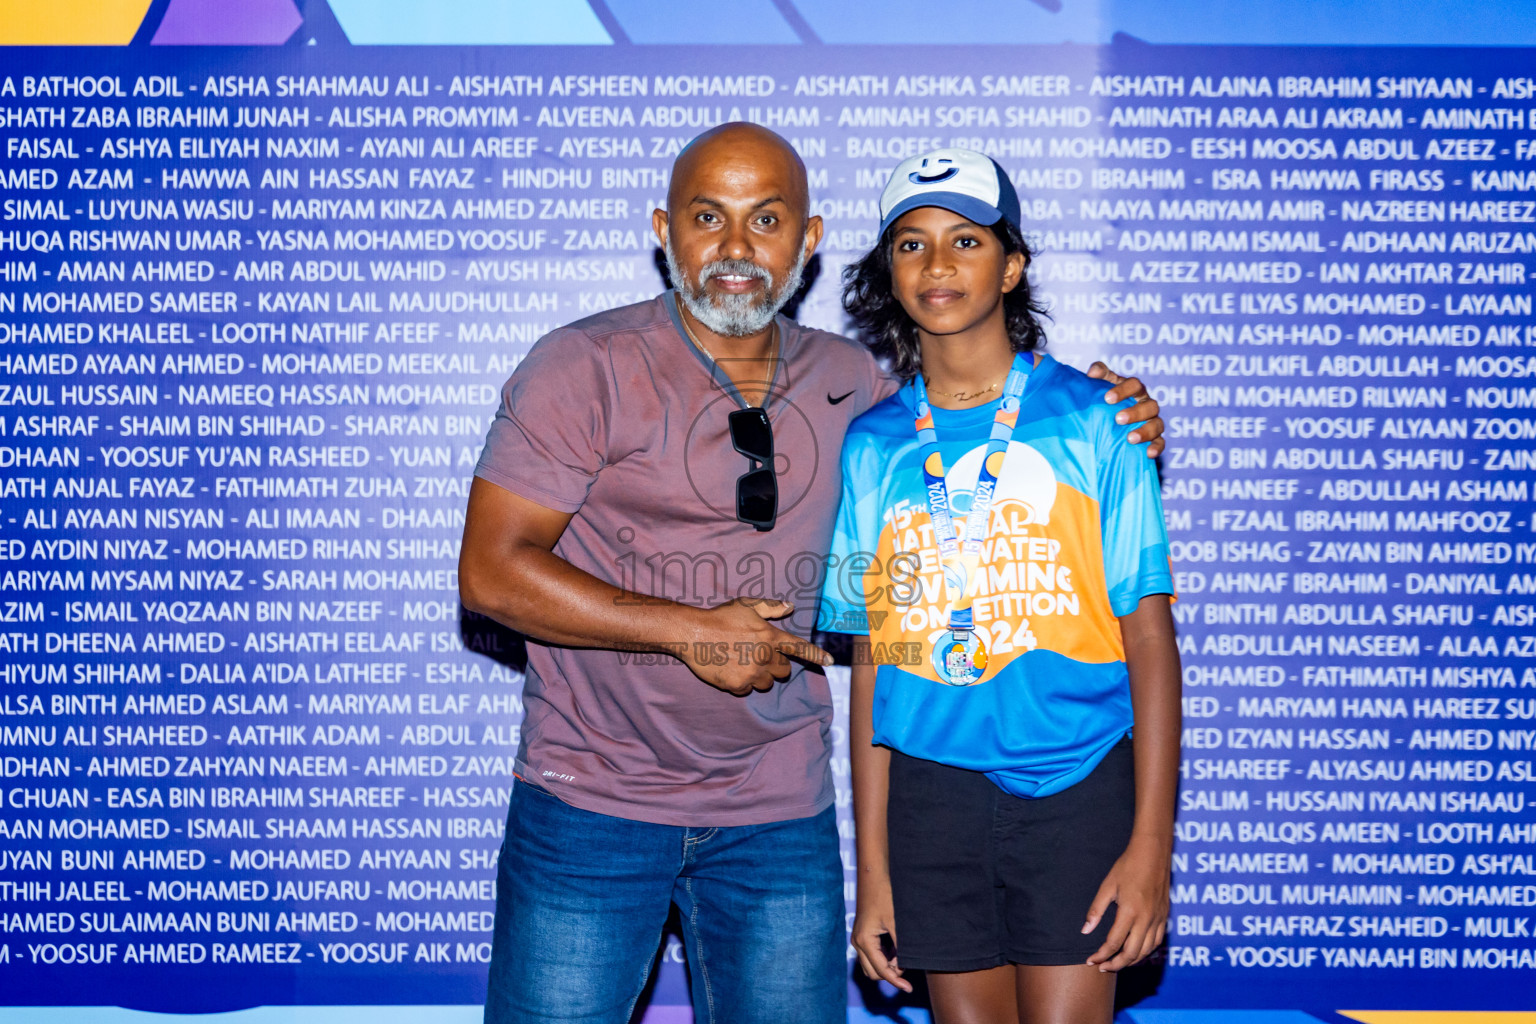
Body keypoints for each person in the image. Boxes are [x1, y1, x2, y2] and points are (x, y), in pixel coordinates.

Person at [457, 124, 1166, 1024]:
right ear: (663, 230)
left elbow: (979, 448)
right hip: (591, 804)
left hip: (779, 815)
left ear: (810, 239)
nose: (736, 247)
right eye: (707, 217)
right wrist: (688, 628)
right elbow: (490, 573)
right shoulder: (582, 366)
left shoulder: (862, 395)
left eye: (767, 219)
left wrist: (1126, 420)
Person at [820, 148, 1180, 1024]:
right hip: (932, 797)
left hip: (1080, 782)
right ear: (889, 274)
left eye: (966, 240)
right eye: (910, 244)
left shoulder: (1099, 422)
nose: (937, 264)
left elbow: (1150, 641)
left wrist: (1150, 848)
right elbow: (875, 665)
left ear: (1011, 264)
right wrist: (874, 874)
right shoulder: (872, 446)